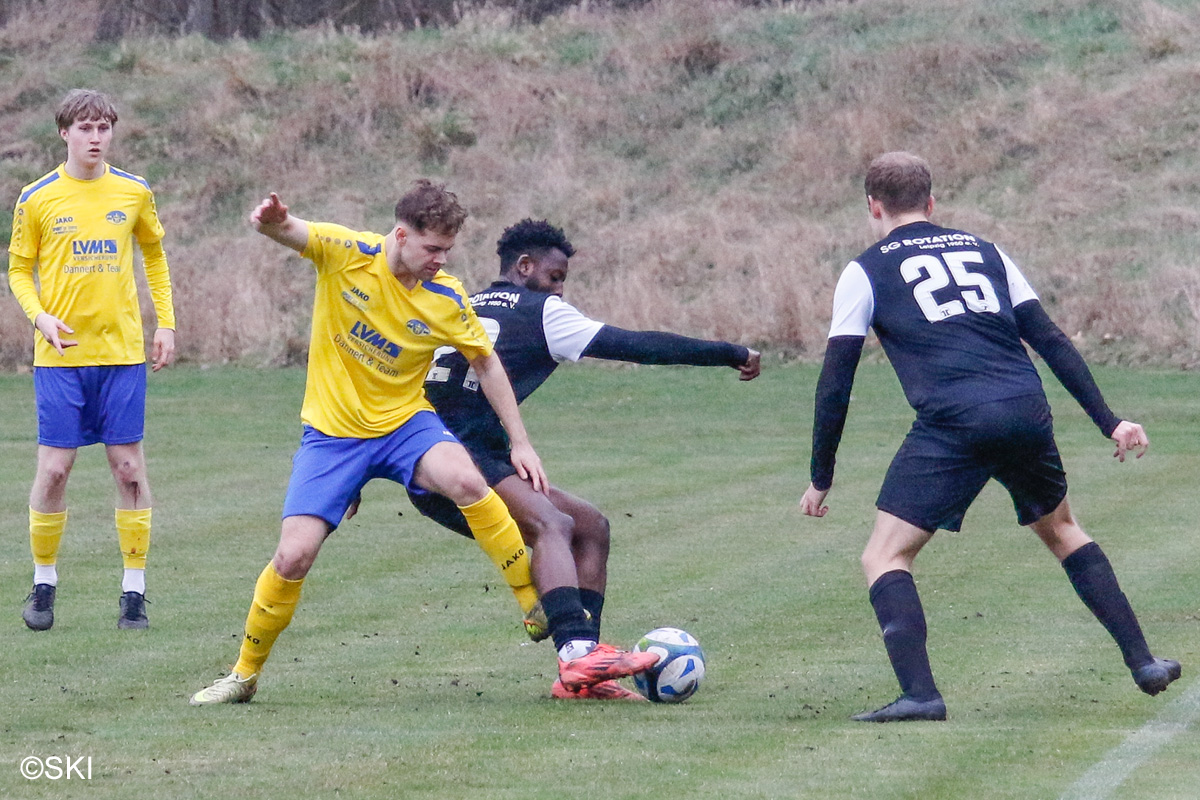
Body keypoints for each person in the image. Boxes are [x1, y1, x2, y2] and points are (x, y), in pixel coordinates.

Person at [189, 184, 655, 705]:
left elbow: (486, 362)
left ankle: (533, 603)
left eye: (448, 250)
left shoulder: (446, 296)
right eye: (432, 248)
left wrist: (521, 442)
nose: (441, 260)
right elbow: (290, 231)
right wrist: (272, 221)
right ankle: (243, 675)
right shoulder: (348, 253)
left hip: (406, 425)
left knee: (466, 479)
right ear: (401, 235)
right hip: (333, 438)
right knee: (292, 556)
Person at [799, 151, 1180, 722]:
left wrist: (821, 475)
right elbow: (1050, 340)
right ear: (931, 202)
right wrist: (1110, 420)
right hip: (1025, 409)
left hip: (954, 422)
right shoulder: (987, 251)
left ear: (873, 207)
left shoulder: (865, 270)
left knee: (885, 554)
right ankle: (1144, 662)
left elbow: (836, 383)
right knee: (1063, 529)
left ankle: (921, 696)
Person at [410, 218, 761, 700]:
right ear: (524, 266)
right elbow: (637, 346)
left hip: (432, 459)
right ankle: (576, 654)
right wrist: (729, 352)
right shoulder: (543, 313)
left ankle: (584, 675)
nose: (559, 289)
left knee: (590, 525)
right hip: (460, 463)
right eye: (554, 277)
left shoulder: (458, 303)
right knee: (552, 524)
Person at [7, 88, 176, 632]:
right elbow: (18, 270)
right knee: (55, 469)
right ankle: (43, 582)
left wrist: (166, 322)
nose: (96, 138)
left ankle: (133, 592)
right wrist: (39, 317)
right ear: (65, 133)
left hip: (121, 354)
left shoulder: (134, 191)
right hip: (61, 358)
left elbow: (154, 254)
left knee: (128, 469)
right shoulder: (37, 197)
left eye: (104, 127)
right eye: (85, 128)